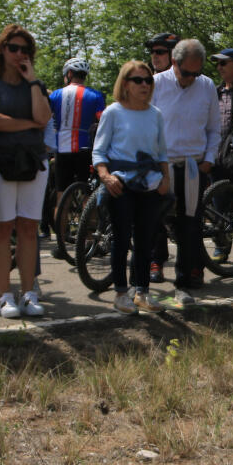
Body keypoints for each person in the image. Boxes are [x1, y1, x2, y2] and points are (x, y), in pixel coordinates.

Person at [0, 24, 51, 319]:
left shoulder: (36, 84)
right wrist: (30, 124)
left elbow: (43, 117)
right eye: (13, 48)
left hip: (33, 161)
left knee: (29, 228)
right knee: (2, 227)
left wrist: (32, 81)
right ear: (2, 49)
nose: (19, 54)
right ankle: (5, 295)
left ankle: (29, 292)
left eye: (25, 49)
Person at [92, 60, 170, 314]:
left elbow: (161, 152)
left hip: (149, 184)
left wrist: (165, 179)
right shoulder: (113, 113)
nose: (145, 85)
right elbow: (99, 151)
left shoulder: (155, 114)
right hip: (121, 183)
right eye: (138, 80)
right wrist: (106, 176)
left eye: (148, 80)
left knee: (146, 239)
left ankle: (142, 292)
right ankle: (121, 293)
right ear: (125, 84)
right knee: (122, 238)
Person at [150, 38, 222, 304]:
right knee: (152, 220)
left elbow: (214, 128)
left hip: (194, 165)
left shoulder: (206, 87)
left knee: (189, 224)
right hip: (161, 164)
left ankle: (184, 282)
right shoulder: (156, 84)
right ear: (174, 63)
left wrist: (209, 160)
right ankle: (145, 280)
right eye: (186, 72)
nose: (191, 78)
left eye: (196, 72)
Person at [48, 57, 106, 213]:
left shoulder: (55, 95)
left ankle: (60, 234)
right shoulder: (96, 95)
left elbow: (45, 119)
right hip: (86, 148)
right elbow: (102, 121)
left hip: (62, 148)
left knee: (61, 195)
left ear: (70, 73)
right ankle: (86, 235)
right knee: (88, 193)